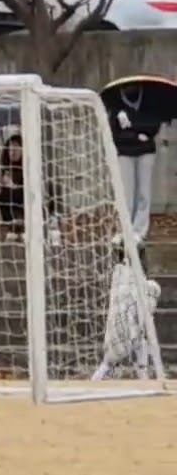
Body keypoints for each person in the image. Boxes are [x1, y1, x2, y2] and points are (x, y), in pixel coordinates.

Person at [93, 241, 159, 380]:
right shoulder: (120, 274)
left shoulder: (138, 277)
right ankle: (99, 376)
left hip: (135, 324)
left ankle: (143, 373)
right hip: (121, 324)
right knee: (109, 361)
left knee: (141, 342)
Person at [108, 88, 162, 244]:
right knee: (126, 194)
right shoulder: (116, 102)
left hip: (146, 152)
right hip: (124, 151)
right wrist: (137, 134)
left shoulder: (149, 101)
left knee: (143, 192)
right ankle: (123, 229)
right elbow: (115, 131)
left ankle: (139, 231)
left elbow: (153, 126)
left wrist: (132, 124)